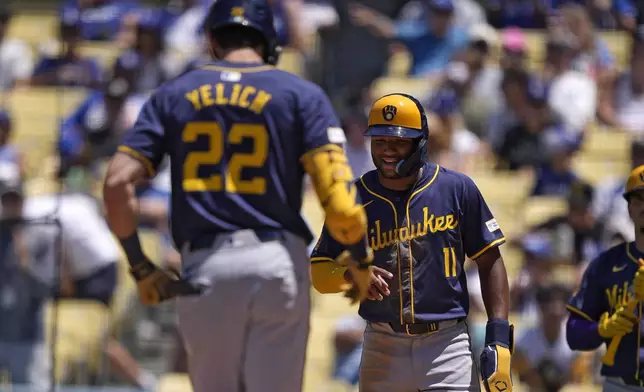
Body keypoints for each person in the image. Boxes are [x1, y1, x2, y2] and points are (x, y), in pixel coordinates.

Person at [102, 1, 370, 391]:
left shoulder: (173, 93)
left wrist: (140, 265)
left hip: (206, 265)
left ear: (211, 40)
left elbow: (115, 182)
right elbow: (341, 203)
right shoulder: (301, 94)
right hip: (276, 261)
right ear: (269, 42)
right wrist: (359, 257)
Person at [310, 93, 513, 392]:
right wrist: (351, 275)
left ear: (420, 142)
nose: (387, 150)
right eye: (380, 141)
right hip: (382, 343)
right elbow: (319, 270)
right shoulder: (353, 197)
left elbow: (489, 259)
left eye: (398, 141)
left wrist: (498, 335)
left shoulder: (456, 188)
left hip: (446, 343)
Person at [567, 164, 644, 390]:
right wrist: (602, 329)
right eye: (639, 199)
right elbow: (574, 333)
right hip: (620, 385)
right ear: (629, 209)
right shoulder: (606, 264)